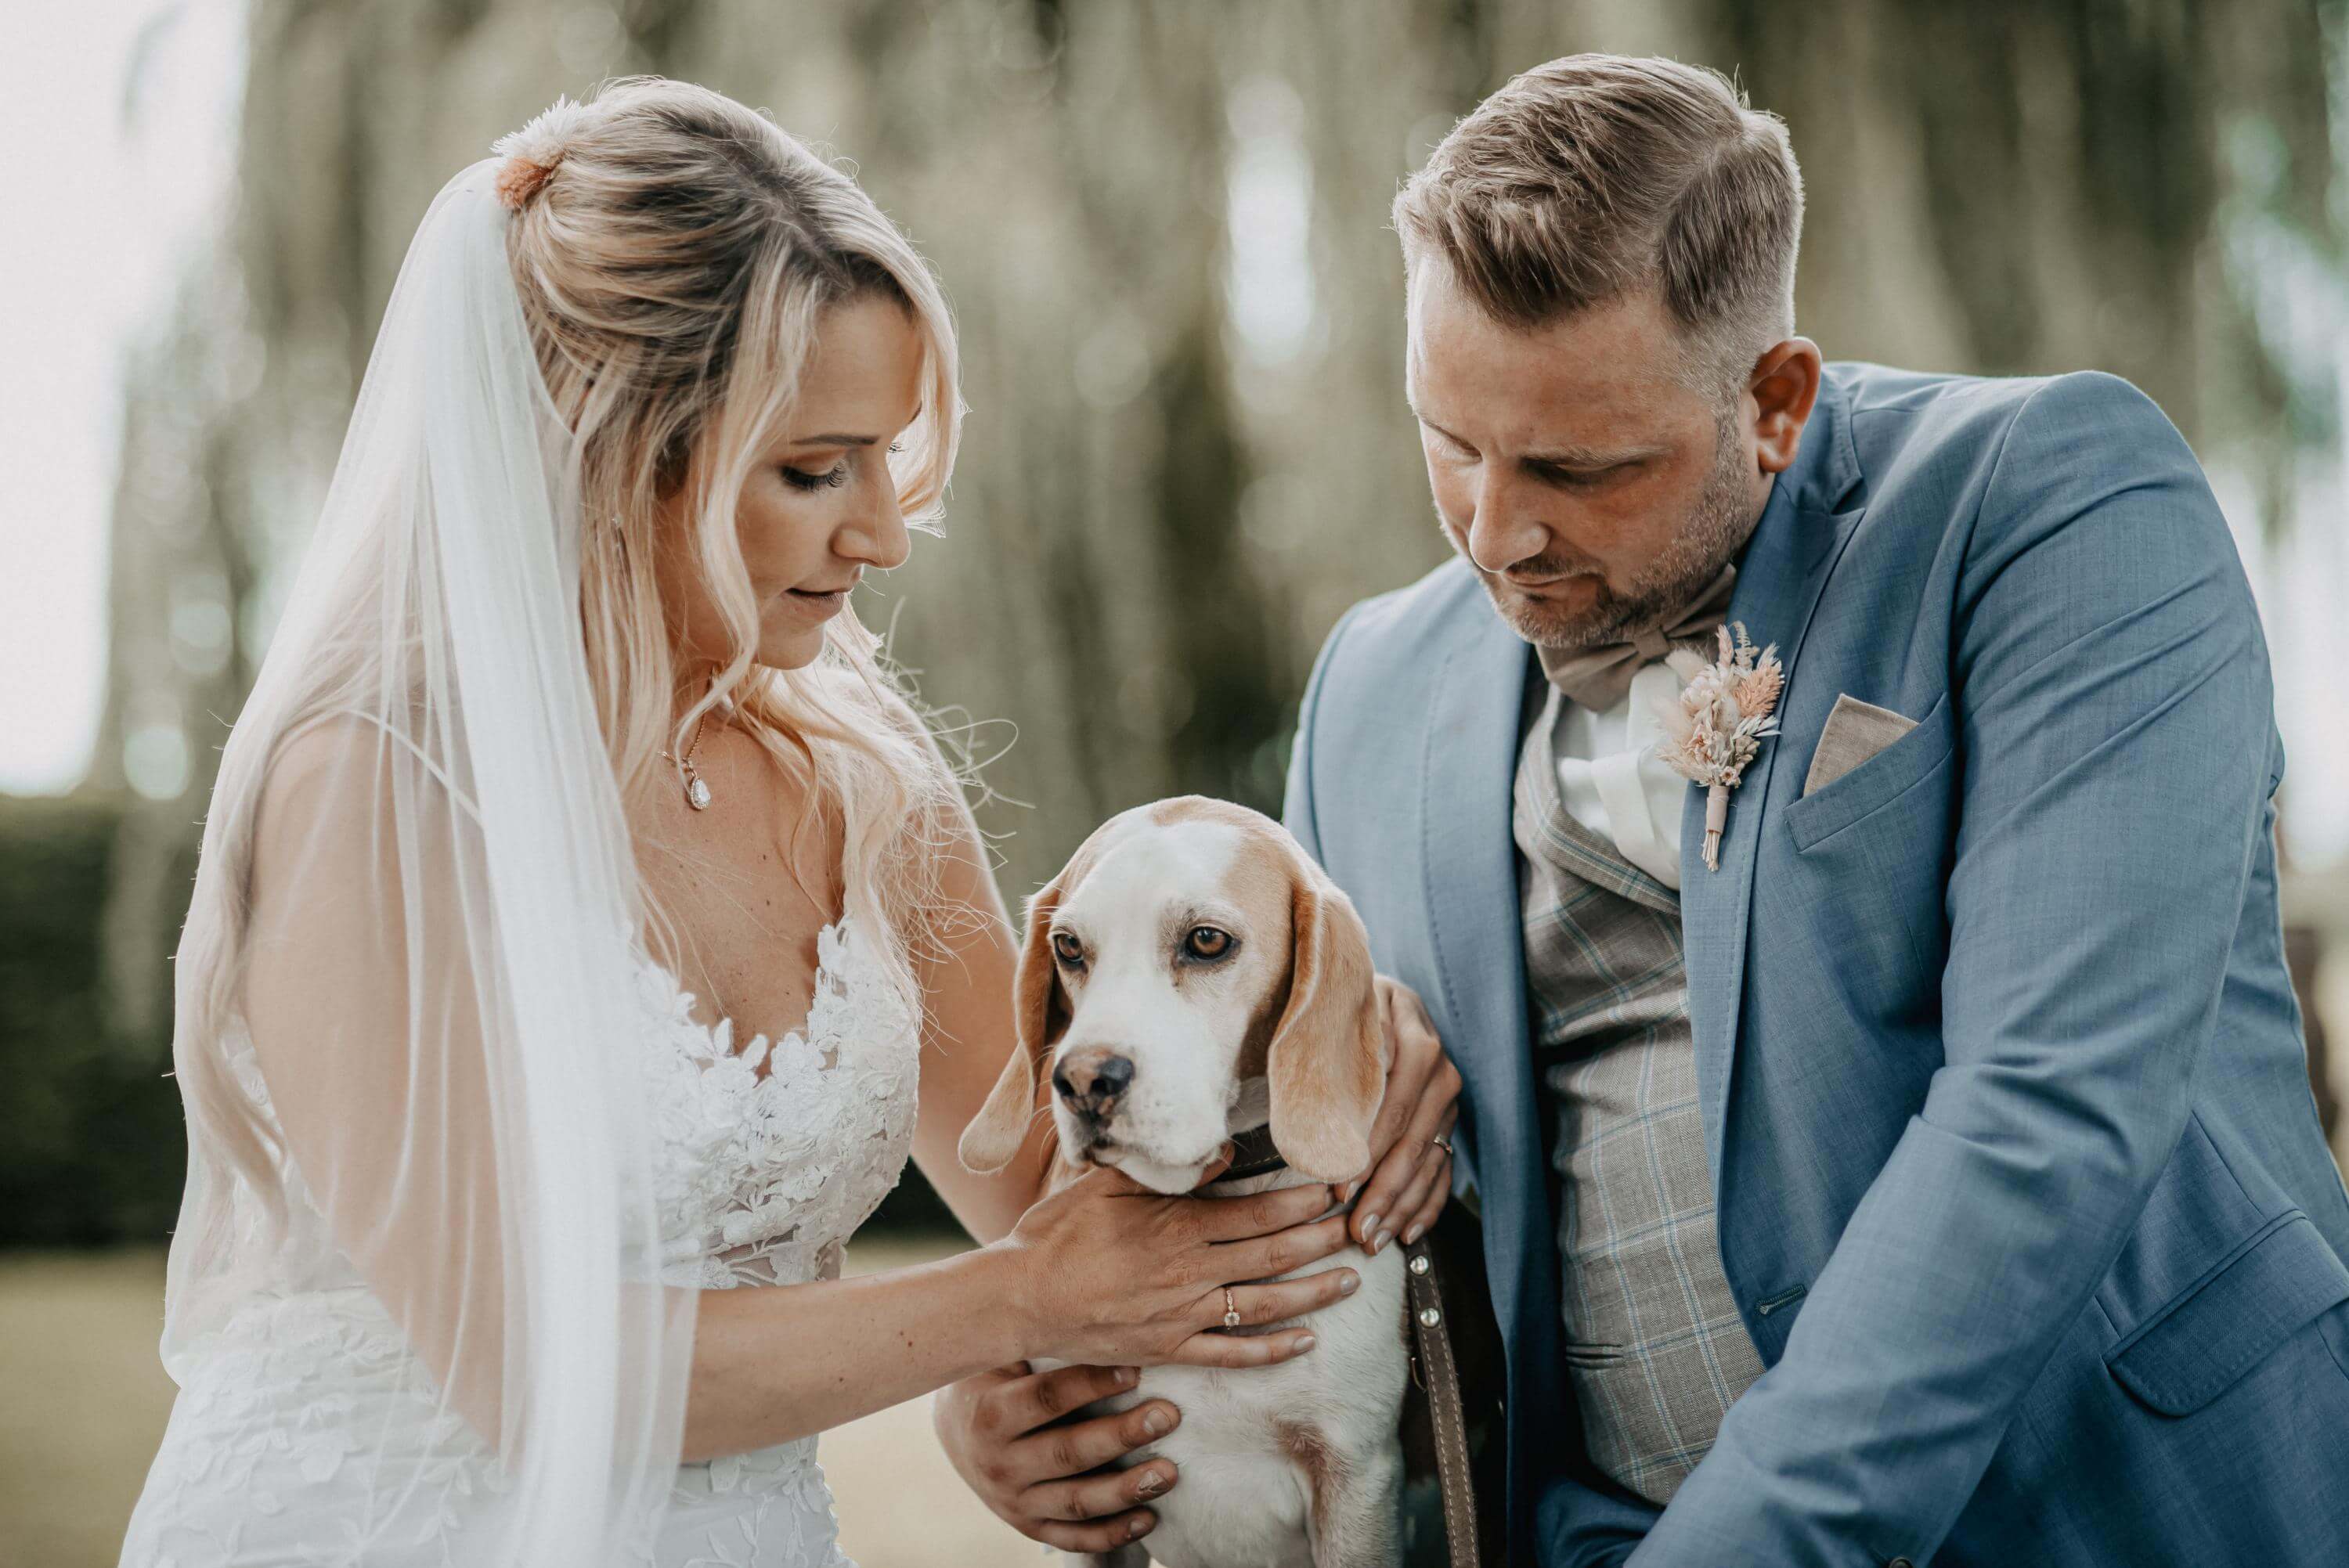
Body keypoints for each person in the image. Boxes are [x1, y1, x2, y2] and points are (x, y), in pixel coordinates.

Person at [118, 77, 1459, 1568]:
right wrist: (999, 1315)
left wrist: (1350, 1078)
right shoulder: (369, 787)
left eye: (887, 456)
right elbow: (519, 1368)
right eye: (815, 471)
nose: (882, 531)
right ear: (609, 450)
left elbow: (1086, 1206)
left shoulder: (873, 790)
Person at [1283, 52, 2349, 1568]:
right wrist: (1058, 1392)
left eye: (1581, 468)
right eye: (1451, 443)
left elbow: (2046, 1105)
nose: (1495, 534)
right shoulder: (1366, 695)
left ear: (1775, 401)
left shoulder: (2049, 505)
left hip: (2116, 1513)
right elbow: (1333, 1178)